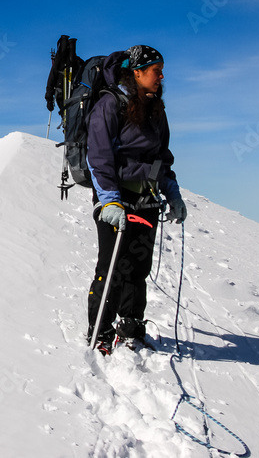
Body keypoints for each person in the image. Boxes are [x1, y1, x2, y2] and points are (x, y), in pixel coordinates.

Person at [85, 45, 186, 354]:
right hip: (117, 196)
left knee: (137, 267)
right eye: (156, 70)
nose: (161, 76)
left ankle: (131, 325)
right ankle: (100, 331)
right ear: (138, 72)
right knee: (111, 267)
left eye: (161, 71)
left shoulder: (156, 109)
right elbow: (99, 156)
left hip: (148, 197)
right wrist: (109, 200)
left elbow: (161, 157)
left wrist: (172, 191)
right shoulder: (110, 104)